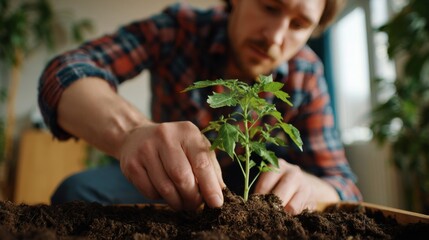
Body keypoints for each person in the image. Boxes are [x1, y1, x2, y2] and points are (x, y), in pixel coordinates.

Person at [38, 0, 362, 215]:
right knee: (77, 191)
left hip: (252, 196)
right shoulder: (180, 28)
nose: (275, 37)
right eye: (269, 6)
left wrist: (310, 186)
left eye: (299, 24)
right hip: (168, 178)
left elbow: (342, 184)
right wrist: (132, 132)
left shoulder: (306, 73)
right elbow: (65, 72)